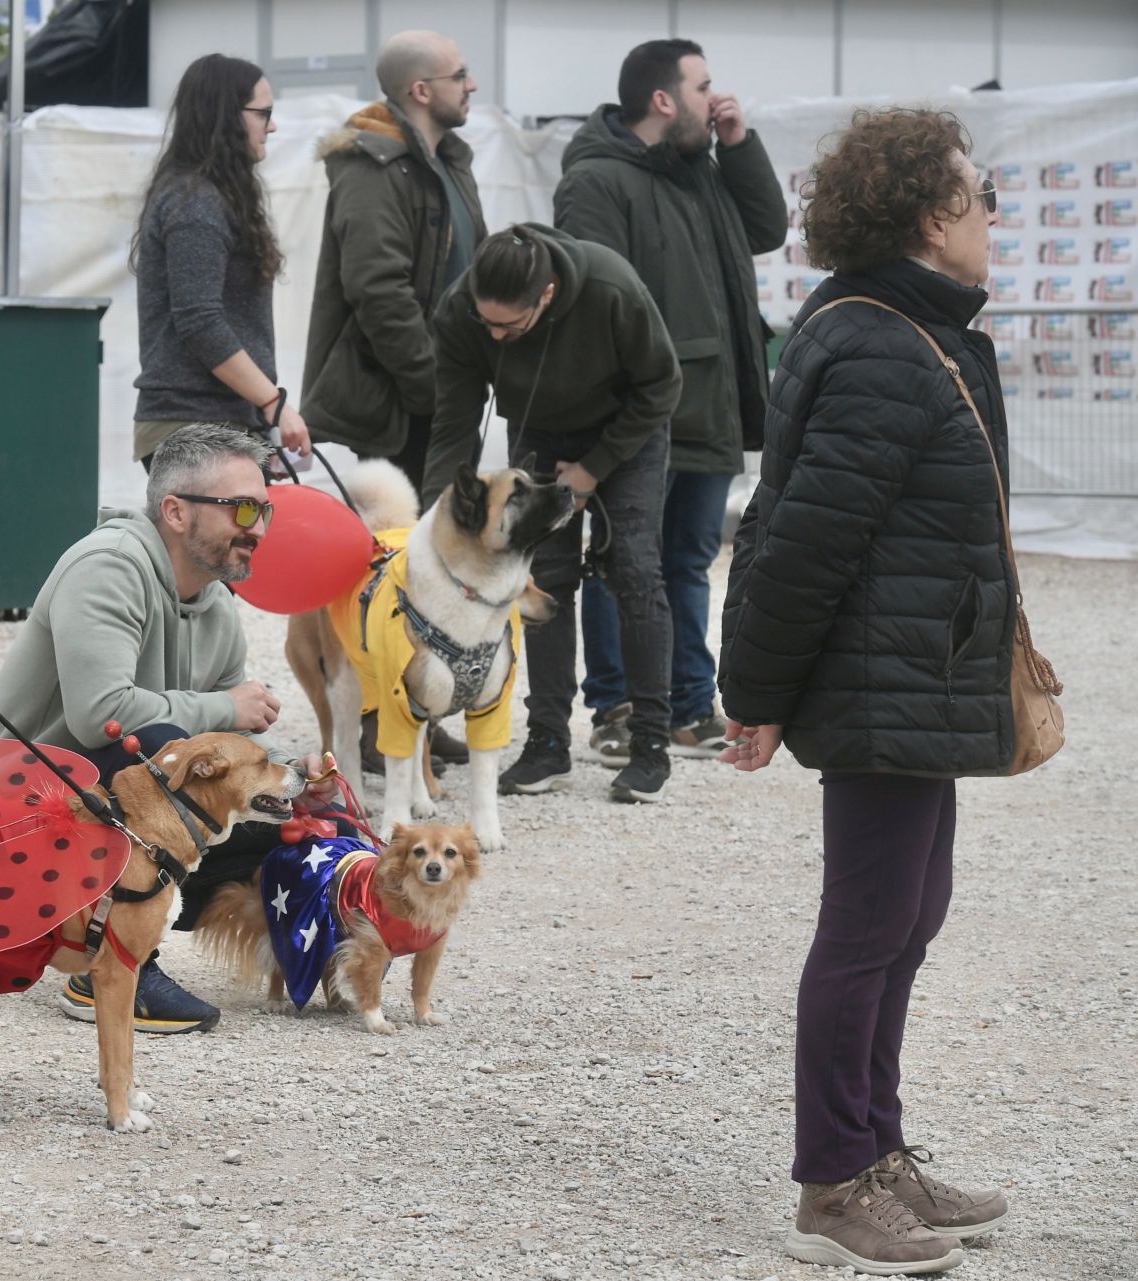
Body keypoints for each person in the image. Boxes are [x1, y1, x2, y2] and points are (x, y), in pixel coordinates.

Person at [719, 108, 1012, 1274]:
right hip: (880, 679)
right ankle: (833, 1185)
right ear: (934, 216)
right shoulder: (882, 344)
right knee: (866, 931)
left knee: (910, 918)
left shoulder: (907, 329)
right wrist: (760, 692)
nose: (993, 214)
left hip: (917, 676)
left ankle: (878, 1153)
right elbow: (798, 544)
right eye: (979, 192)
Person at [0, 424, 337, 1034]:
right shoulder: (107, 568)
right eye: (243, 508)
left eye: (266, 511)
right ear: (175, 511)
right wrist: (227, 707)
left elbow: (226, 749)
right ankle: (107, 966)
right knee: (156, 756)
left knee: (297, 812)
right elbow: (104, 714)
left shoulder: (217, 602)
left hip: (111, 809)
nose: (258, 527)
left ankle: (319, 953)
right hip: (28, 810)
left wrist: (292, 772)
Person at [553, 38, 786, 765]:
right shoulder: (595, 180)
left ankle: (690, 705)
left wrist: (739, 146)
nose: (716, 99)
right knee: (622, 563)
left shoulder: (704, 171)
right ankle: (618, 706)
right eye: (703, 87)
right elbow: (596, 304)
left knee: (687, 562)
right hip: (639, 413)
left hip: (710, 403)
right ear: (663, 99)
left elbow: (768, 230)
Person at [424, 224, 681, 803]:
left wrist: (592, 470)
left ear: (546, 294)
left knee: (635, 572)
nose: (493, 334)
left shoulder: (611, 287)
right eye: (486, 322)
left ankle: (651, 745)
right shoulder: (462, 311)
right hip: (540, 423)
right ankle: (547, 742)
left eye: (508, 327)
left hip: (628, 431)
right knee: (542, 580)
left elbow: (662, 384)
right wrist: (431, 517)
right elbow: (455, 419)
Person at [301, 28, 485, 495]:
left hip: (451, 398)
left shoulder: (451, 162)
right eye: (460, 75)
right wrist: (433, 390)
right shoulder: (373, 169)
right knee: (411, 550)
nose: (472, 85)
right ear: (421, 91)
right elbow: (378, 290)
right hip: (406, 411)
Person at [131, 54, 309, 466]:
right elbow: (199, 320)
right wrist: (273, 404)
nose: (273, 125)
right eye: (264, 113)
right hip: (194, 427)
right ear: (226, 116)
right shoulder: (196, 201)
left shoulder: (208, 195)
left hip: (217, 424)